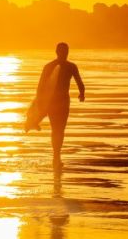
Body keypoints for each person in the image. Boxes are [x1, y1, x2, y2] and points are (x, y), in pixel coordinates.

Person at [25, 42, 85, 171]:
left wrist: (82, 93)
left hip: (58, 103)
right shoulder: (60, 66)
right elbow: (40, 87)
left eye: (66, 51)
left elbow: (79, 82)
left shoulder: (61, 66)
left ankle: (56, 156)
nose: (64, 54)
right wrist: (82, 93)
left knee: (58, 130)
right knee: (57, 130)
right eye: (63, 51)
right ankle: (56, 156)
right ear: (58, 52)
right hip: (57, 103)